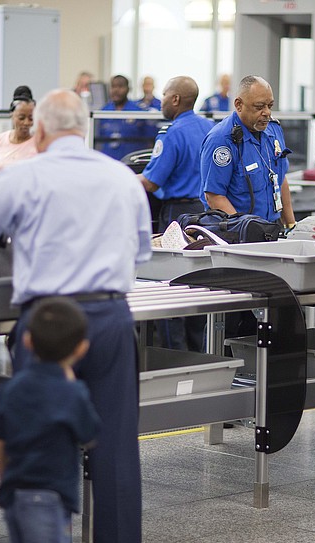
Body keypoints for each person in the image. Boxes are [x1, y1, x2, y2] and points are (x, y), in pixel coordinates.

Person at [0, 89, 151, 543]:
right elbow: (141, 251)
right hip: (111, 316)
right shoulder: (121, 178)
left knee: (42, 441)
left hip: (48, 323)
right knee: (116, 445)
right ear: (85, 129)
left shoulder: (23, 177)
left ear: (40, 131)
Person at [0, 297, 101, 543]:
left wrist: (5, 477)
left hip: (15, 493)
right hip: (52, 497)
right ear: (81, 349)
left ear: (27, 341)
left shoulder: (10, 389)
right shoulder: (73, 393)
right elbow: (90, 435)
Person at [137, 76, 213, 351]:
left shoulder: (172, 133)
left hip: (176, 217)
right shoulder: (210, 127)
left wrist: (118, 177)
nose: (161, 99)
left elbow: (151, 181)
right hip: (204, 215)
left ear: (176, 99)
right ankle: (199, 358)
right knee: (195, 287)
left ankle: (173, 359)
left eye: (165, 94)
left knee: (168, 289)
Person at [200, 75, 296, 227]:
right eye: (259, 107)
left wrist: (291, 224)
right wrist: (247, 229)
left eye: (270, 106)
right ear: (239, 105)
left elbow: (280, 177)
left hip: (272, 228)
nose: (267, 112)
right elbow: (214, 196)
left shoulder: (273, 130)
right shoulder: (221, 140)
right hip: (238, 233)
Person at [0, 85, 37, 176]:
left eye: (31, 118)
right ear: (12, 115)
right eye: (21, 118)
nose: (26, 123)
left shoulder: (40, 144)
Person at [98, 75, 154, 160]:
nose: (116, 90)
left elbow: (149, 141)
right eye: (113, 87)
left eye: (120, 86)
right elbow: (98, 140)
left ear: (128, 89)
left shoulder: (139, 112)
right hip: (108, 162)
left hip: (131, 163)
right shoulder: (103, 112)